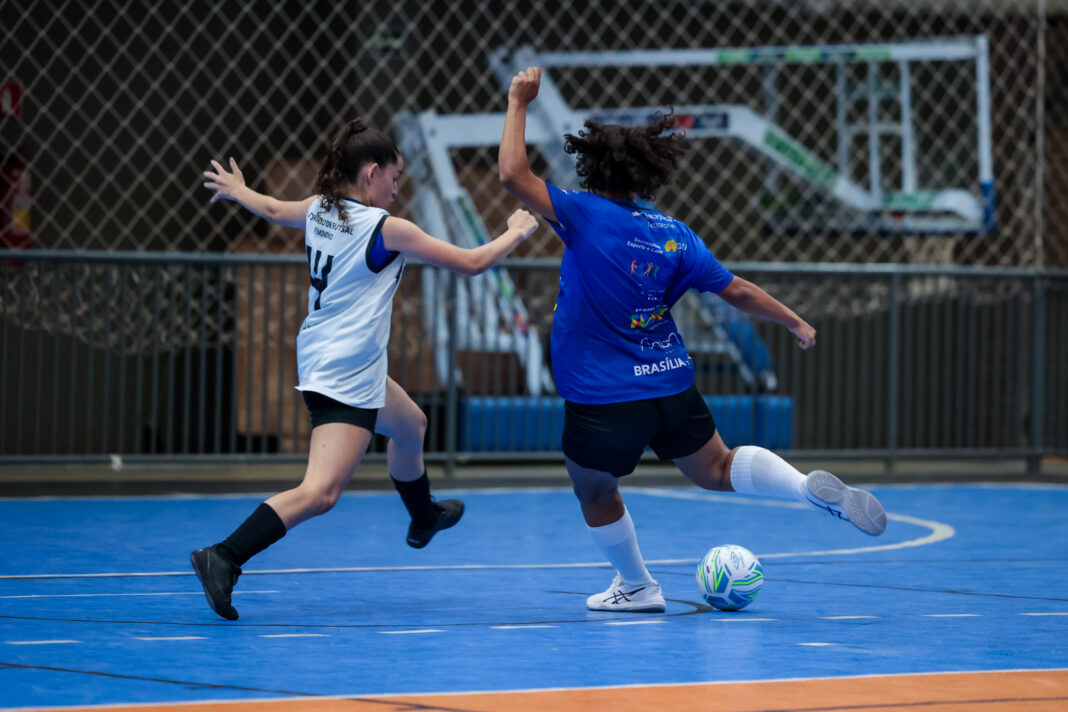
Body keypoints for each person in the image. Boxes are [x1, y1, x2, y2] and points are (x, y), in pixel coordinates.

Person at [498, 68, 886, 613]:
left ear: (592, 169)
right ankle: (802, 487)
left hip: (603, 394)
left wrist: (518, 101)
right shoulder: (675, 233)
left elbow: (513, 174)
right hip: (670, 383)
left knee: (594, 487)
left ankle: (638, 586)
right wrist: (794, 321)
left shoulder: (583, 212)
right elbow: (738, 290)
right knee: (717, 467)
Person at [191, 119, 538, 620]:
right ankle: (224, 556)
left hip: (334, 356)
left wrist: (239, 191)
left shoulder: (320, 208)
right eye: (394, 178)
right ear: (372, 172)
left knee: (412, 425)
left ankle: (423, 516)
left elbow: (272, 209)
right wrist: (514, 233)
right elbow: (470, 263)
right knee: (321, 492)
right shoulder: (386, 228)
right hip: (345, 371)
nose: (397, 189)